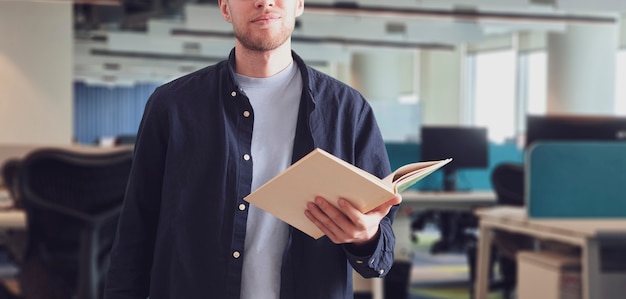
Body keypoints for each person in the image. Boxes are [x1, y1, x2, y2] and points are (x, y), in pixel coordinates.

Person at [103, 0, 401, 298]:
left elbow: (380, 255)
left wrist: (365, 236)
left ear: (299, 3)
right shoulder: (172, 107)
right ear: (225, 7)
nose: (264, 2)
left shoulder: (348, 110)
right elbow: (134, 236)